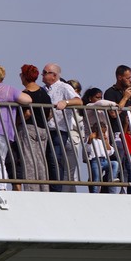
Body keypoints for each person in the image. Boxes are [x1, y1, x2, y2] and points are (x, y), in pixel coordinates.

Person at [42, 62, 83, 191]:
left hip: (60, 129)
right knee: (47, 160)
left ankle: (56, 189)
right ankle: (49, 187)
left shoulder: (64, 87)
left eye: (45, 72)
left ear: (54, 75)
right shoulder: (43, 89)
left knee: (55, 158)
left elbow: (78, 101)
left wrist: (65, 102)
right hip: (45, 128)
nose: (42, 75)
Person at [15, 64, 51, 192]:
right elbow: (49, 114)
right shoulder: (44, 93)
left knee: (29, 162)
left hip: (28, 129)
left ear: (25, 76)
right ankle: (44, 190)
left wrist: (16, 123)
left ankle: (32, 191)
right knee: (41, 162)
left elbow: (26, 114)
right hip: (43, 129)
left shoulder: (24, 94)